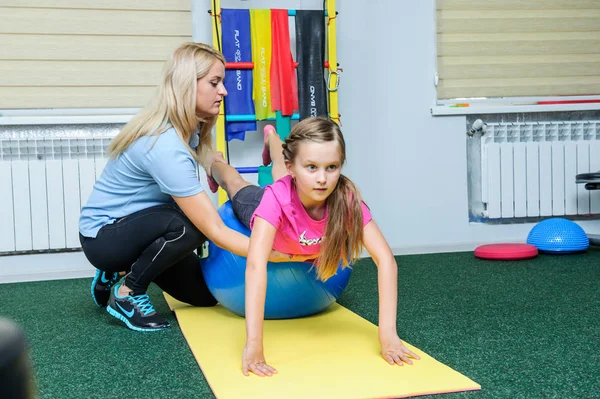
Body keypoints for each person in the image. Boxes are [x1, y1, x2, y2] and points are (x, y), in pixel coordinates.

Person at [78, 42, 307, 332]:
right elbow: (215, 229)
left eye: (222, 82)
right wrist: (274, 252)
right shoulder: (164, 146)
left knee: (205, 295)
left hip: (143, 227)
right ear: (188, 85)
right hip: (104, 236)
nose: (223, 91)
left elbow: (205, 156)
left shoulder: (188, 128)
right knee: (192, 225)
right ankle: (128, 292)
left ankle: (121, 268)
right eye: (215, 83)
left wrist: (217, 168)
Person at [206, 116, 421, 376]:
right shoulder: (275, 200)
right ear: (296, 165)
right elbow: (255, 264)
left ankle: (271, 136)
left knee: (283, 176)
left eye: (332, 167)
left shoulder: (346, 200)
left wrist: (388, 335)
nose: (323, 179)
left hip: (292, 189)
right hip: (267, 205)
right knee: (237, 185)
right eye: (312, 167)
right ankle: (216, 164)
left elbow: (385, 260)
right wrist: (254, 343)